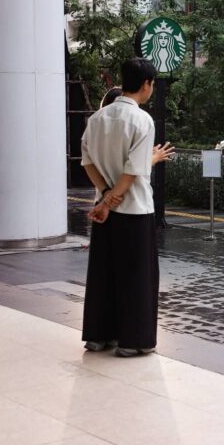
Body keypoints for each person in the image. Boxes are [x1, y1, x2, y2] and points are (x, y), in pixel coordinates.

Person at [80, 58, 160, 357]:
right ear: (147, 84)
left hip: (105, 210)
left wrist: (104, 198)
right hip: (135, 210)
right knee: (137, 278)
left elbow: (87, 162)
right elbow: (133, 170)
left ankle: (98, 336)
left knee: (103, 274)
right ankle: (133, 341)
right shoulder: (142, 120)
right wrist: (112, 199)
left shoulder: (97, 118)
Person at [99, 86, 175, 166]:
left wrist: (145, 153)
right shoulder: (122, 131)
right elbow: (132, 168)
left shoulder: (99, 128)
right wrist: (155, 158)